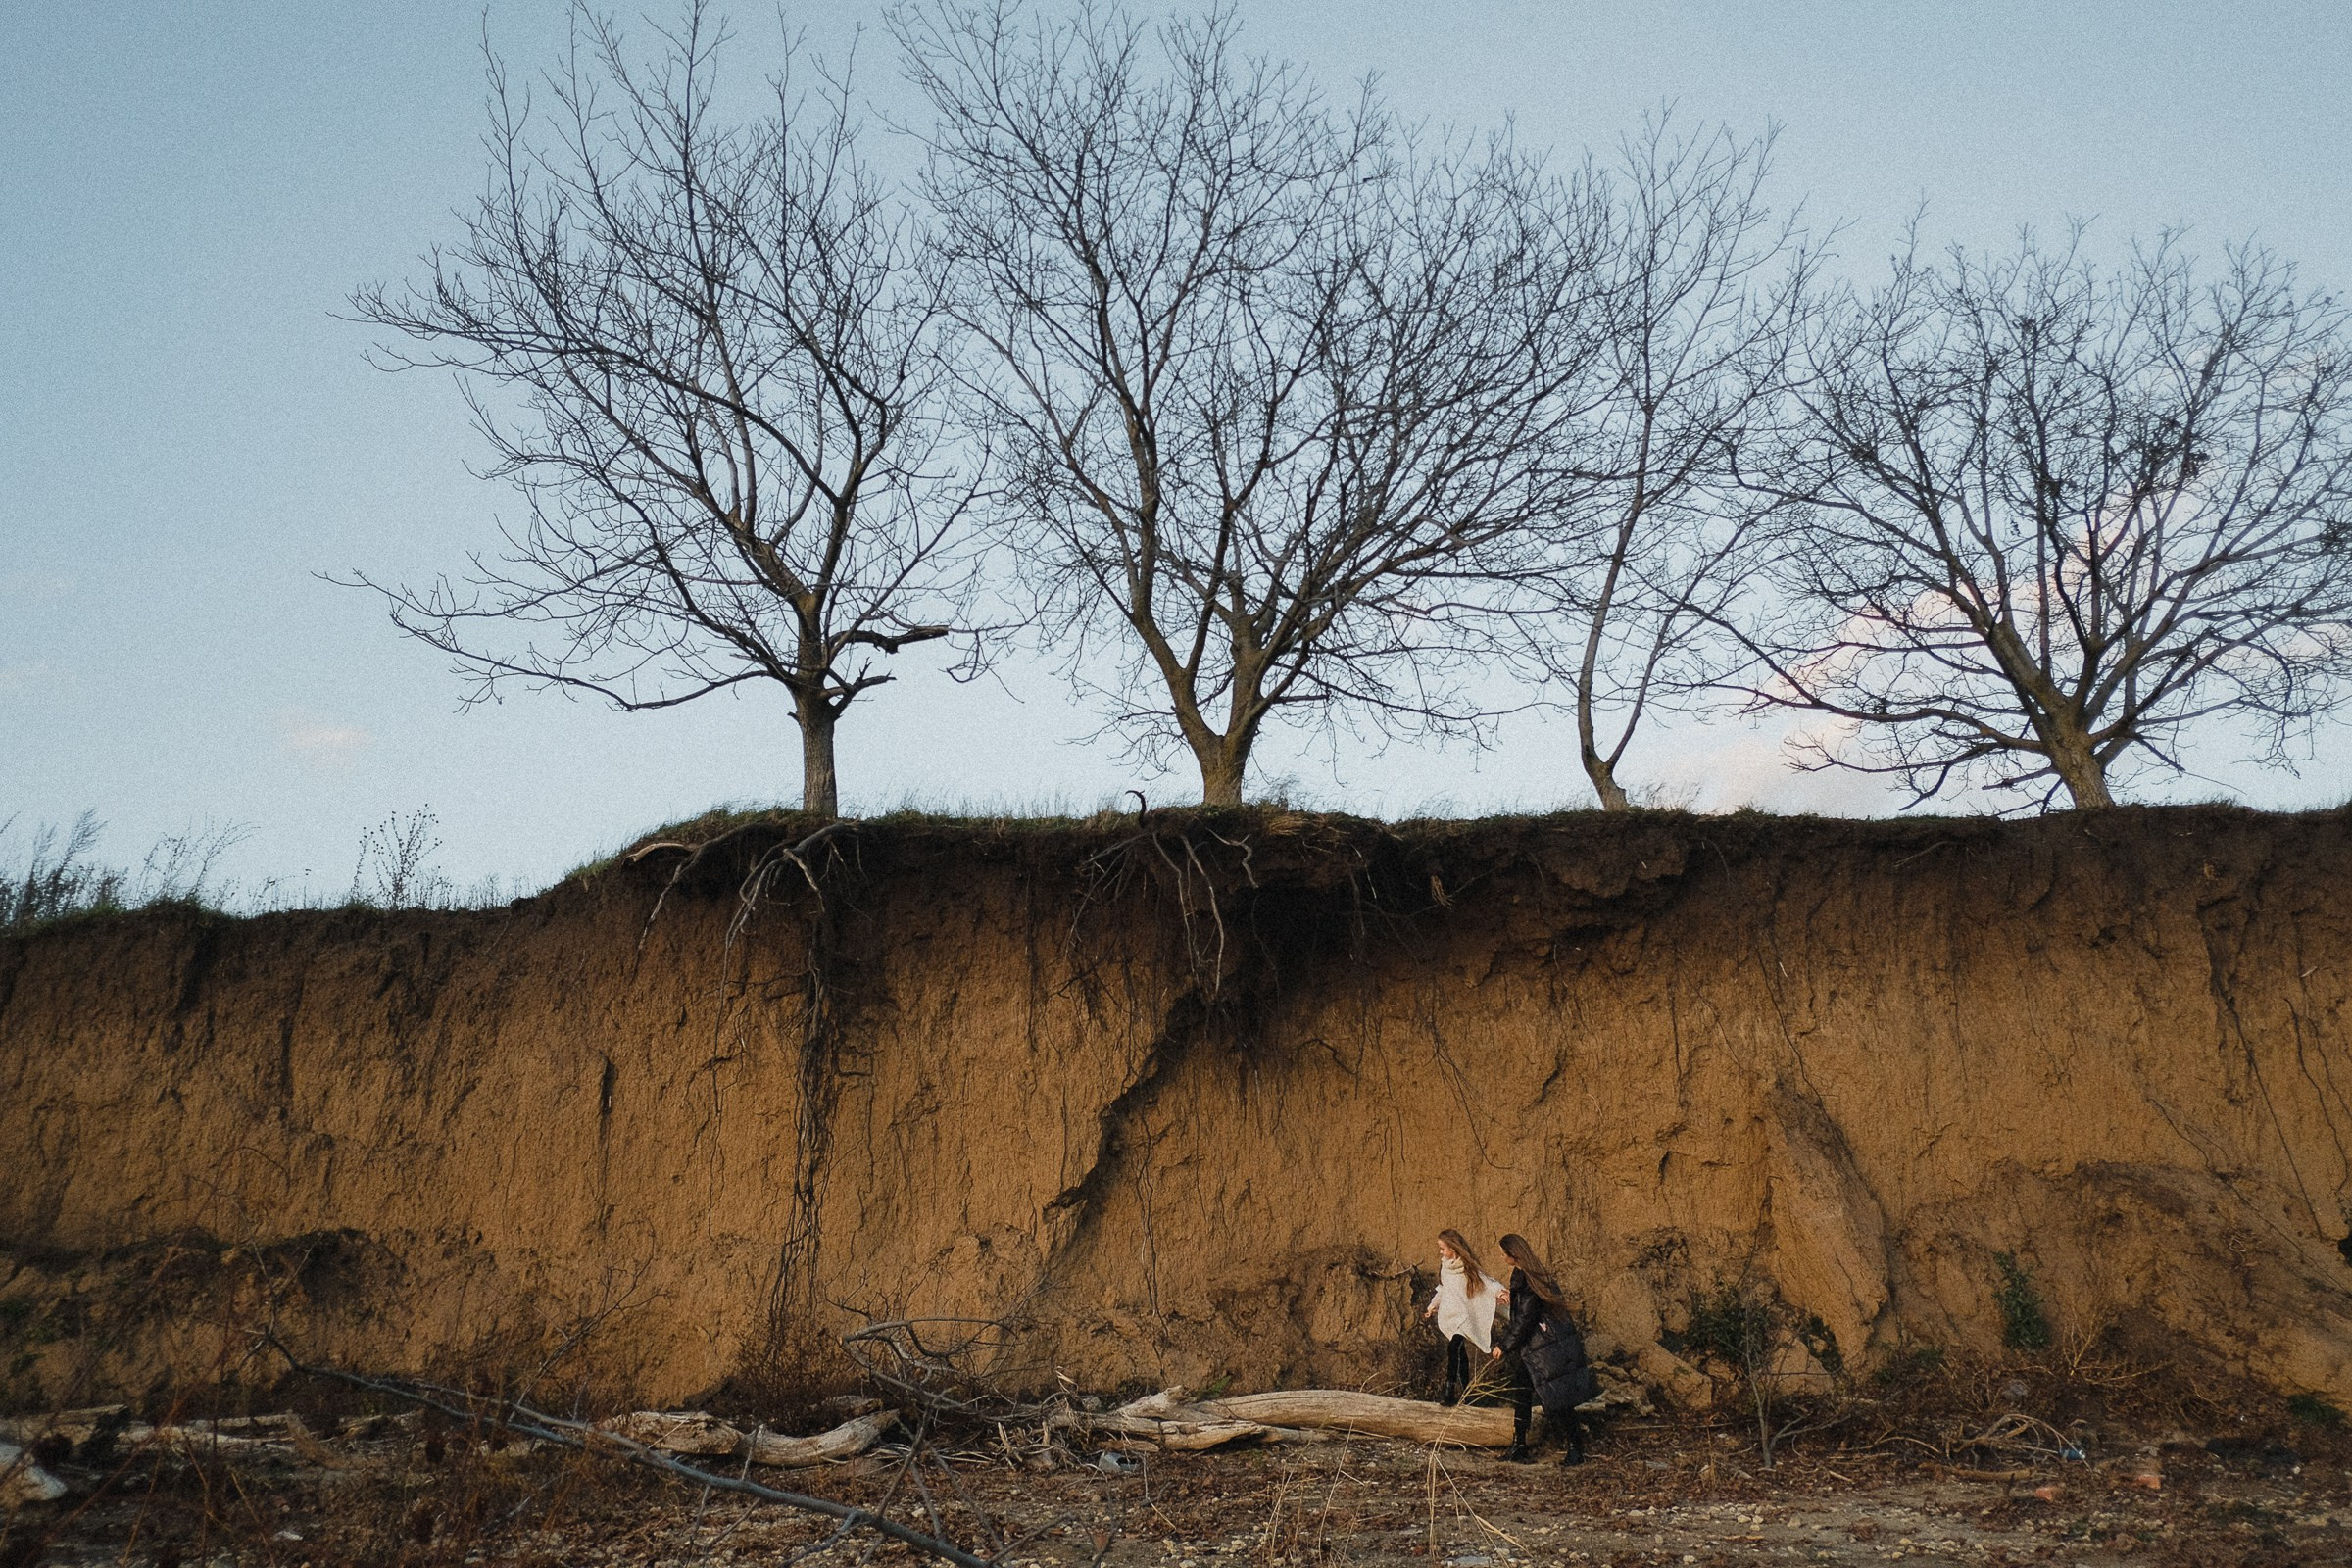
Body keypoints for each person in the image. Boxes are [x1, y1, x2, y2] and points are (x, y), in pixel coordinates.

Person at [1491, 1232, 1598, 1464]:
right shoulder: (1524, 1275)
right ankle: (1519, 1446)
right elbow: (1525, 1311)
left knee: (1557, 1398)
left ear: (1514, 1254)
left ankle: (1575, 1448)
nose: (1502, 1257)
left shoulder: (1529, 1279)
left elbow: (1525, 1320)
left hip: (1543, 1350)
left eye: (1503, 1254)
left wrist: (1504, 1345)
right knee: (1523, 1395)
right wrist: (1512, 1299)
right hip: (1533, 1350)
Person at [1421, 1228, 1507, 1405]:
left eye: (1443, 1248)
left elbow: (1486, 1282)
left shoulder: (1467, 1267)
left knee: (1454, 1348)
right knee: (1460, 1353)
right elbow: (1443, 1289)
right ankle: (1467, 1391)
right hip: (1451, 1317)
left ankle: (1449, 1391)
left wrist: (1499, 1291)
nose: (1440, 1252)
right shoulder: (1445, 1268)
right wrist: (1432, 1306)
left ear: (1453, 1247)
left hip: (1464, 1319)